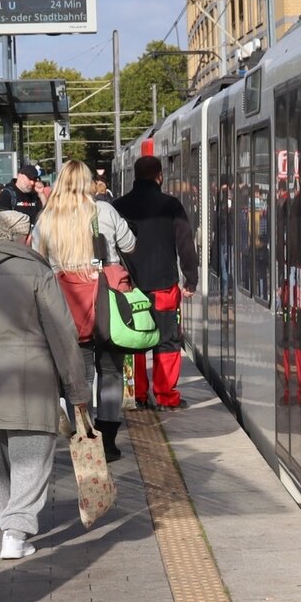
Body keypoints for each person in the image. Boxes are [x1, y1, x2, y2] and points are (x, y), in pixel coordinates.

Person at [0, 209, 91, 560]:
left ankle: (9, 528)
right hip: (28, 384)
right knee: (31, 457)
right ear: (26, 237)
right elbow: (62, 335)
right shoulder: (38, 274)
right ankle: (15, 533)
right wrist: (77, 391)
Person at [33, 160, 137, 461]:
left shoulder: (47, 218)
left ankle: (84, 432)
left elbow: (38, 260)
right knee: (112, 371)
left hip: (65, 306)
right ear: (88, 182)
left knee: (78, 375)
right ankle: (109, 440)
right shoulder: (103, 210)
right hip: (106, 303)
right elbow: (130, 245)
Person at [116, 155, 200, 411]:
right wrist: (190, 278)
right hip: (164, 284)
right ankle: (165, 396)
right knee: (167, 340)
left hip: (130, 288)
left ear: (134, 176)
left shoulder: (118, 206)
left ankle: (139, 395)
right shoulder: (171, 205)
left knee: (135, 339)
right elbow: (185, 243)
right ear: (159, 176)